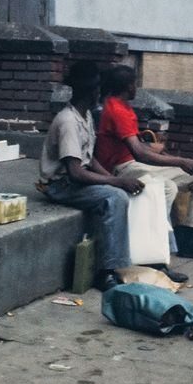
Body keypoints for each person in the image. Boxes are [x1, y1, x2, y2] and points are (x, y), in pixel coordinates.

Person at [40, 61, 145, 292]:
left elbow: (89, 158)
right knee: (115, 198)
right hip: (61, 185)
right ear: (91, 91)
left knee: (122, 193)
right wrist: (116, 182)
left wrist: (113, 178)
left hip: (73, 180)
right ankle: (106, 271)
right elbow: (76, 172)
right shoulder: (68, 121)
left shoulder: (85, 115)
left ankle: (124, 262)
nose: (100, 93)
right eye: (98, 89)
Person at [95, 65, 193, 261]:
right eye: (135, 83)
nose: (136, 87)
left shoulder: (121, 106)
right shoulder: (116, 110)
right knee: (167, 187)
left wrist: (155, 148)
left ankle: (187, 239)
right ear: (128, 86)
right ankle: (156, 243)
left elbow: (133, 144)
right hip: (121, 169)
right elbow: (139, 155)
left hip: (134, 165)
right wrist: (179, 161)